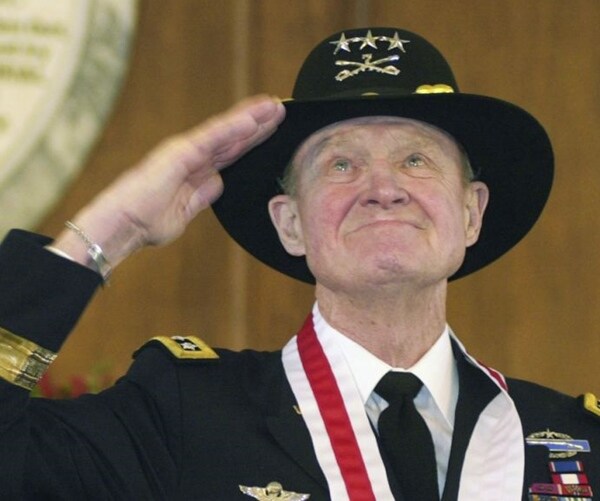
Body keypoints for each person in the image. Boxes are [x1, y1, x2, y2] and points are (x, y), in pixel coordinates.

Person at [0, 26, 598, 501]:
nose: (383, 189)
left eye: (415, 160)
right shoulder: (185, 415)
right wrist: (108, 233)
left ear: (471, 212)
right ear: (290, 224)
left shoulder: (578, 441)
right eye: (341, 165)